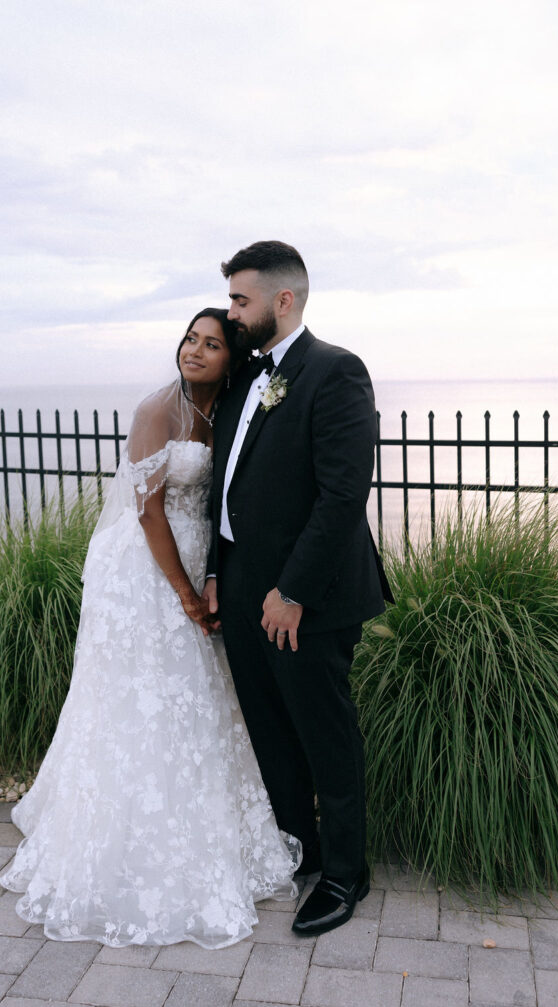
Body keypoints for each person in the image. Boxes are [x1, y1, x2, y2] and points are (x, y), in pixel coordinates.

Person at [0, 308, 300, 949]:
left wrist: (210, 578)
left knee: (195, 696)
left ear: (231, 359)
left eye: (211, 343)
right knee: (140, 695)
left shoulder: (231, 410)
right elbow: (147, 512)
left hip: (196, 559)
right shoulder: (155, 411)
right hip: (143, 572)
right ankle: (114, 836)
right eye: (191, 338)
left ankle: (198, 824)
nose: (194, 350)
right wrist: (188, 594)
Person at [203, 242, 394, 937]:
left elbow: (342, 495)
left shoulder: (335, 372)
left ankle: (346, 873)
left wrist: (292, 591)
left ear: (283, 301)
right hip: (244, 586)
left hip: (305, 598)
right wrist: (219, 573)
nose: (231, 313)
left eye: (240, 300)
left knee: (324, 734)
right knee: (271, 733)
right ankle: (299, 850)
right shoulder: (244, 379)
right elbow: (228, 487)